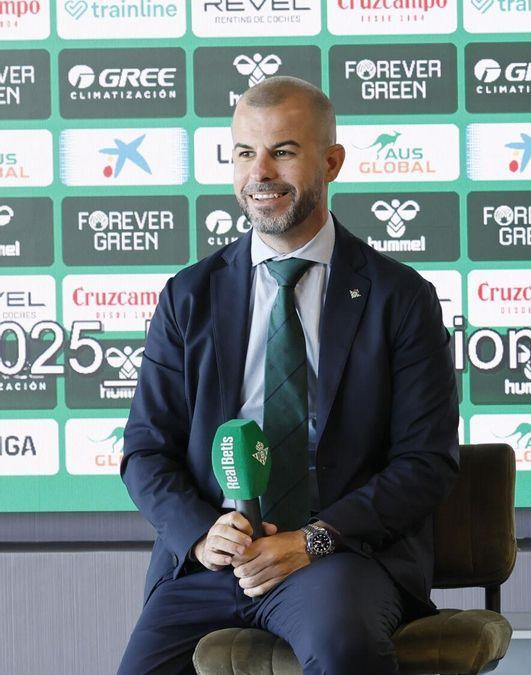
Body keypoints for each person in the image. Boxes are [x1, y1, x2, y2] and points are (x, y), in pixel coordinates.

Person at [117, 76, 459, 675]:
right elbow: (146, 451)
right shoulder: (188, 297)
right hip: (216, 564)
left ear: (332, 161)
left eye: (284, 151)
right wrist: (201, 534)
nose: (260, 173)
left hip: (339, 558)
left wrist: (313, 540)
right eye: (245, 153)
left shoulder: (400, 298)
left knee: (344, 652)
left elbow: (425, 463)